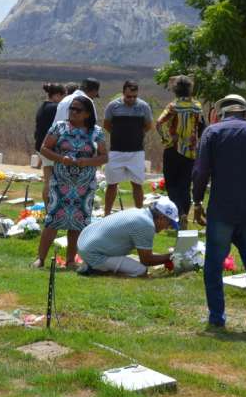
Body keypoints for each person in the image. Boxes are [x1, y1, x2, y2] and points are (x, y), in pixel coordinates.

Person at [191, 94, 246, 332]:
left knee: (213, 265)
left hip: (221, 210)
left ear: (220, 113)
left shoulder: (212, 133)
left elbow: (201, 171)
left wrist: (197, 201)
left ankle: (217, 317)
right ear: (245, 112)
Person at [34, 95, 108, 269]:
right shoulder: (59, 127)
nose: (73, 112)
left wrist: (87, 162)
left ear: (87, 114)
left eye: (78, 110)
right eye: (71, 109)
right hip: (61, 182)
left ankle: (70, 260)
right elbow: (44, 148)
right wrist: (61, 158)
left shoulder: (96, 132)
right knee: (53, 219)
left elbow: (104, 157)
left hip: (84, 185)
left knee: (78, 222)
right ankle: (41, 259)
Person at [77, 198, 179, 277]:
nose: (167, 227)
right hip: (93, 253)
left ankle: (94, 265)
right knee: (140, 271)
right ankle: (95, 270)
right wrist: (173, 256)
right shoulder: (146, 224)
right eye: (169, 223)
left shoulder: (140, 212)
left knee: (134, 262)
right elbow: (147, 260)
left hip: (84, 241)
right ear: (162, 218)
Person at [155, 75, 202, 227]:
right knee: (185, 185)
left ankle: (180, 212)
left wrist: (168, 139)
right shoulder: (197, 106)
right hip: (190, 152)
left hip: (173, 151)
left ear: (175, 90)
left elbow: (159, 123)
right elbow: (201, 127)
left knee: (172, 185)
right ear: (190, 89)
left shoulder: (173, 106)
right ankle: (184, 216)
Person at [102, 80, 154, 215]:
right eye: (128, 96)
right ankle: (106, 213)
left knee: (137, 184)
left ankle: (139, 214)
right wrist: (119, 134)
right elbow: (107, 124)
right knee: (112, 184)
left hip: (136, 152)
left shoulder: (143, 107)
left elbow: (148, 125)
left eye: (134, 96)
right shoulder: (113, 106)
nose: (131, 99)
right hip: (116, 151)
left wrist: (137, 133)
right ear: (123, 93)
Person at [34, 82, 65, 203]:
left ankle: (48, 209)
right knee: (54, 181)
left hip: (41, 146)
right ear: (57, 95)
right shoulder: (55, 108)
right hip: (50, 148)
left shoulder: (43, 106)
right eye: (64, 96)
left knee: (48, 180)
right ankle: (53, 207)